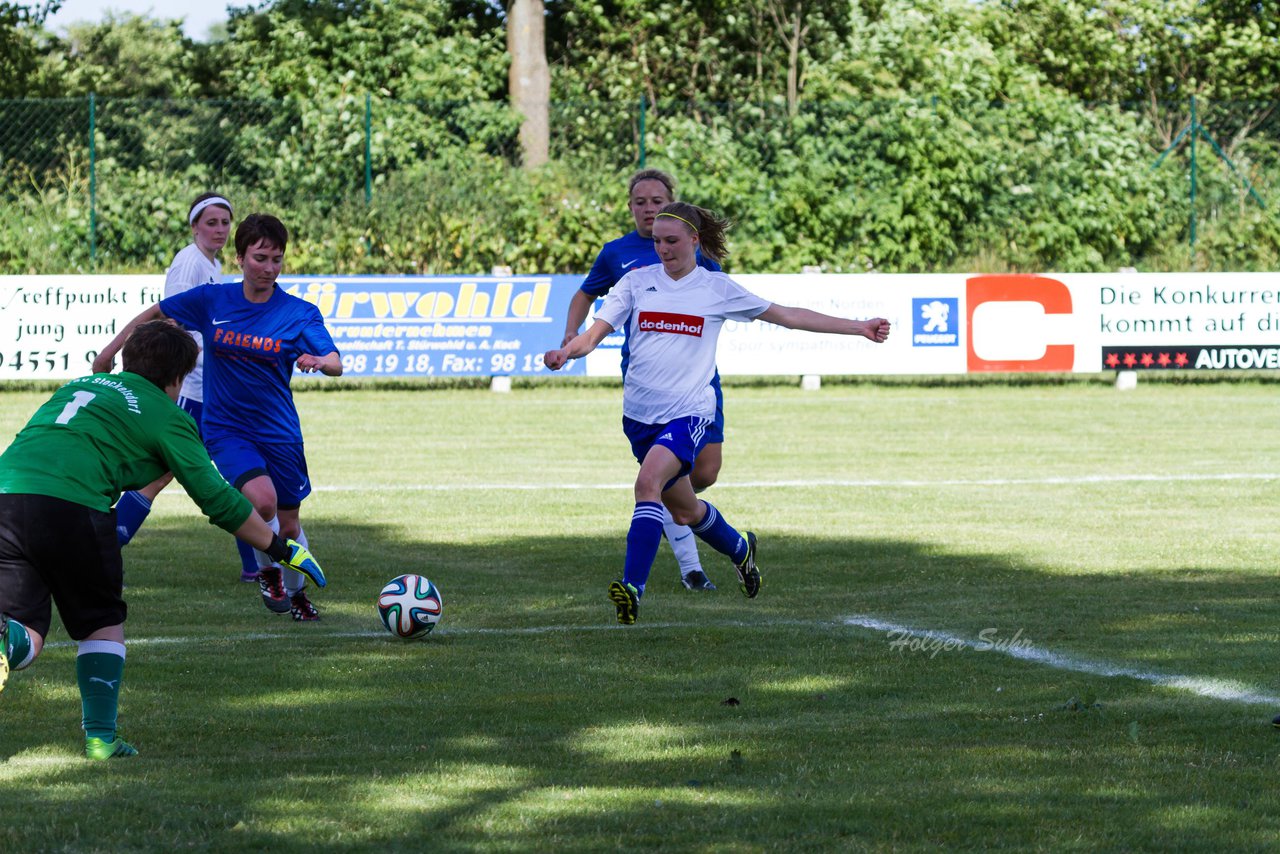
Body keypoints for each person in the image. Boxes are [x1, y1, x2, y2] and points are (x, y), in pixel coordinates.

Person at [545, 202, 891, 625]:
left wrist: (858, 326)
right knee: (687, 512)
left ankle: (632, 590)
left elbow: (789, 317)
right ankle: (742, 549)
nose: (664, 250)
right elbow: (592, 337)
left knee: (647, 484)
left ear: (694, 239)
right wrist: (566, 350)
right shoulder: (635, 283)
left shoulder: (716, 288)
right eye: (657, 241)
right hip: (639, 418)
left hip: (689, 414)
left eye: (672, 241)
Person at [0, 320, 326, 759]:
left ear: (131, 359)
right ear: (177, 379)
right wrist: (281, 548)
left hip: (7, 494)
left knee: (26, 637)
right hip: (72, 504)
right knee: (101, 625)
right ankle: (100, 739)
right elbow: (218, 500)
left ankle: (3, 639)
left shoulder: (84, 386)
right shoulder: (168, 416)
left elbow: (112, 490)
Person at [93, 214, 342, 621]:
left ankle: (296, 596)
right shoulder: (214, 300)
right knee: (260, 502)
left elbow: (335, 362)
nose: (269, 268)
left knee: (290, 526)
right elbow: (156, 313)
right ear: (240, 257)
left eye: (277, 260)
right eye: (260, 258)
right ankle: (267, 572)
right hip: (227, 428)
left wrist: (320, 361)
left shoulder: (299, 313)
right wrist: (108, 352)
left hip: (280, 432)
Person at [562, 169, 724, 592]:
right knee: (659, 479)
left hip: (696, 381)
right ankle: (690, 569)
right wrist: (571, 336)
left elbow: (714, 298)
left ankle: (729, 546)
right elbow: (585, 294)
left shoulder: (696, 250)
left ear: (671, 201)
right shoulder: (618, 254)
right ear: (630, 206)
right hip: (647, 386)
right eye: (641, 202)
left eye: (657, 200)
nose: (649, 208)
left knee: (705, 472)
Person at [112, 193, 264, 585]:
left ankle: (255, 568)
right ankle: (102, 546)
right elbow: (169, 319)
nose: (219, 229)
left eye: (225, 222)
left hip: (210, 389)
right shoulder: (189, 262)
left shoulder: (211, 265)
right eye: (211, 222)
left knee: (224, 473)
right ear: (194, 225)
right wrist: (167, 377)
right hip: (192, 391)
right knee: (172, 474)